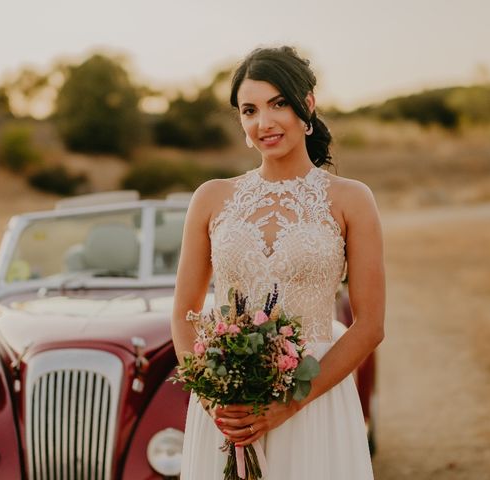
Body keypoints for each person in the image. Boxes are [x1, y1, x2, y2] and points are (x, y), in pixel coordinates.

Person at [171, 45, 385, 479]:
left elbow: (369, 326)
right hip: (229, 413)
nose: (263, 122)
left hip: (314, 401)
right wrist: (215, 398)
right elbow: (184, 312)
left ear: (307, 104)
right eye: (249, 110)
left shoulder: (352, 200)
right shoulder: (211, 198)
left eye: (278, 103)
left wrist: (286, 406)